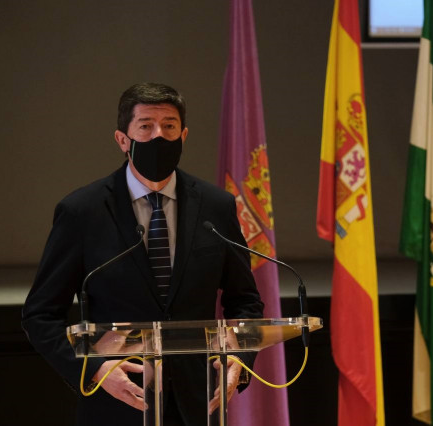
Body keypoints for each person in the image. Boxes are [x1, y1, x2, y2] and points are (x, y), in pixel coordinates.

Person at [22, 82, 264, 426]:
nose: (158, 137)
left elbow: (245, 301)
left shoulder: (216, 207)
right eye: (146, 126)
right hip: (118, 402)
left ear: (183, 135)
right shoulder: (83, 212)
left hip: (197, 404)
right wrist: (94, 370)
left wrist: (240, 357)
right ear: (123, 139)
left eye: (169, 126)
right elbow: (40, 315)